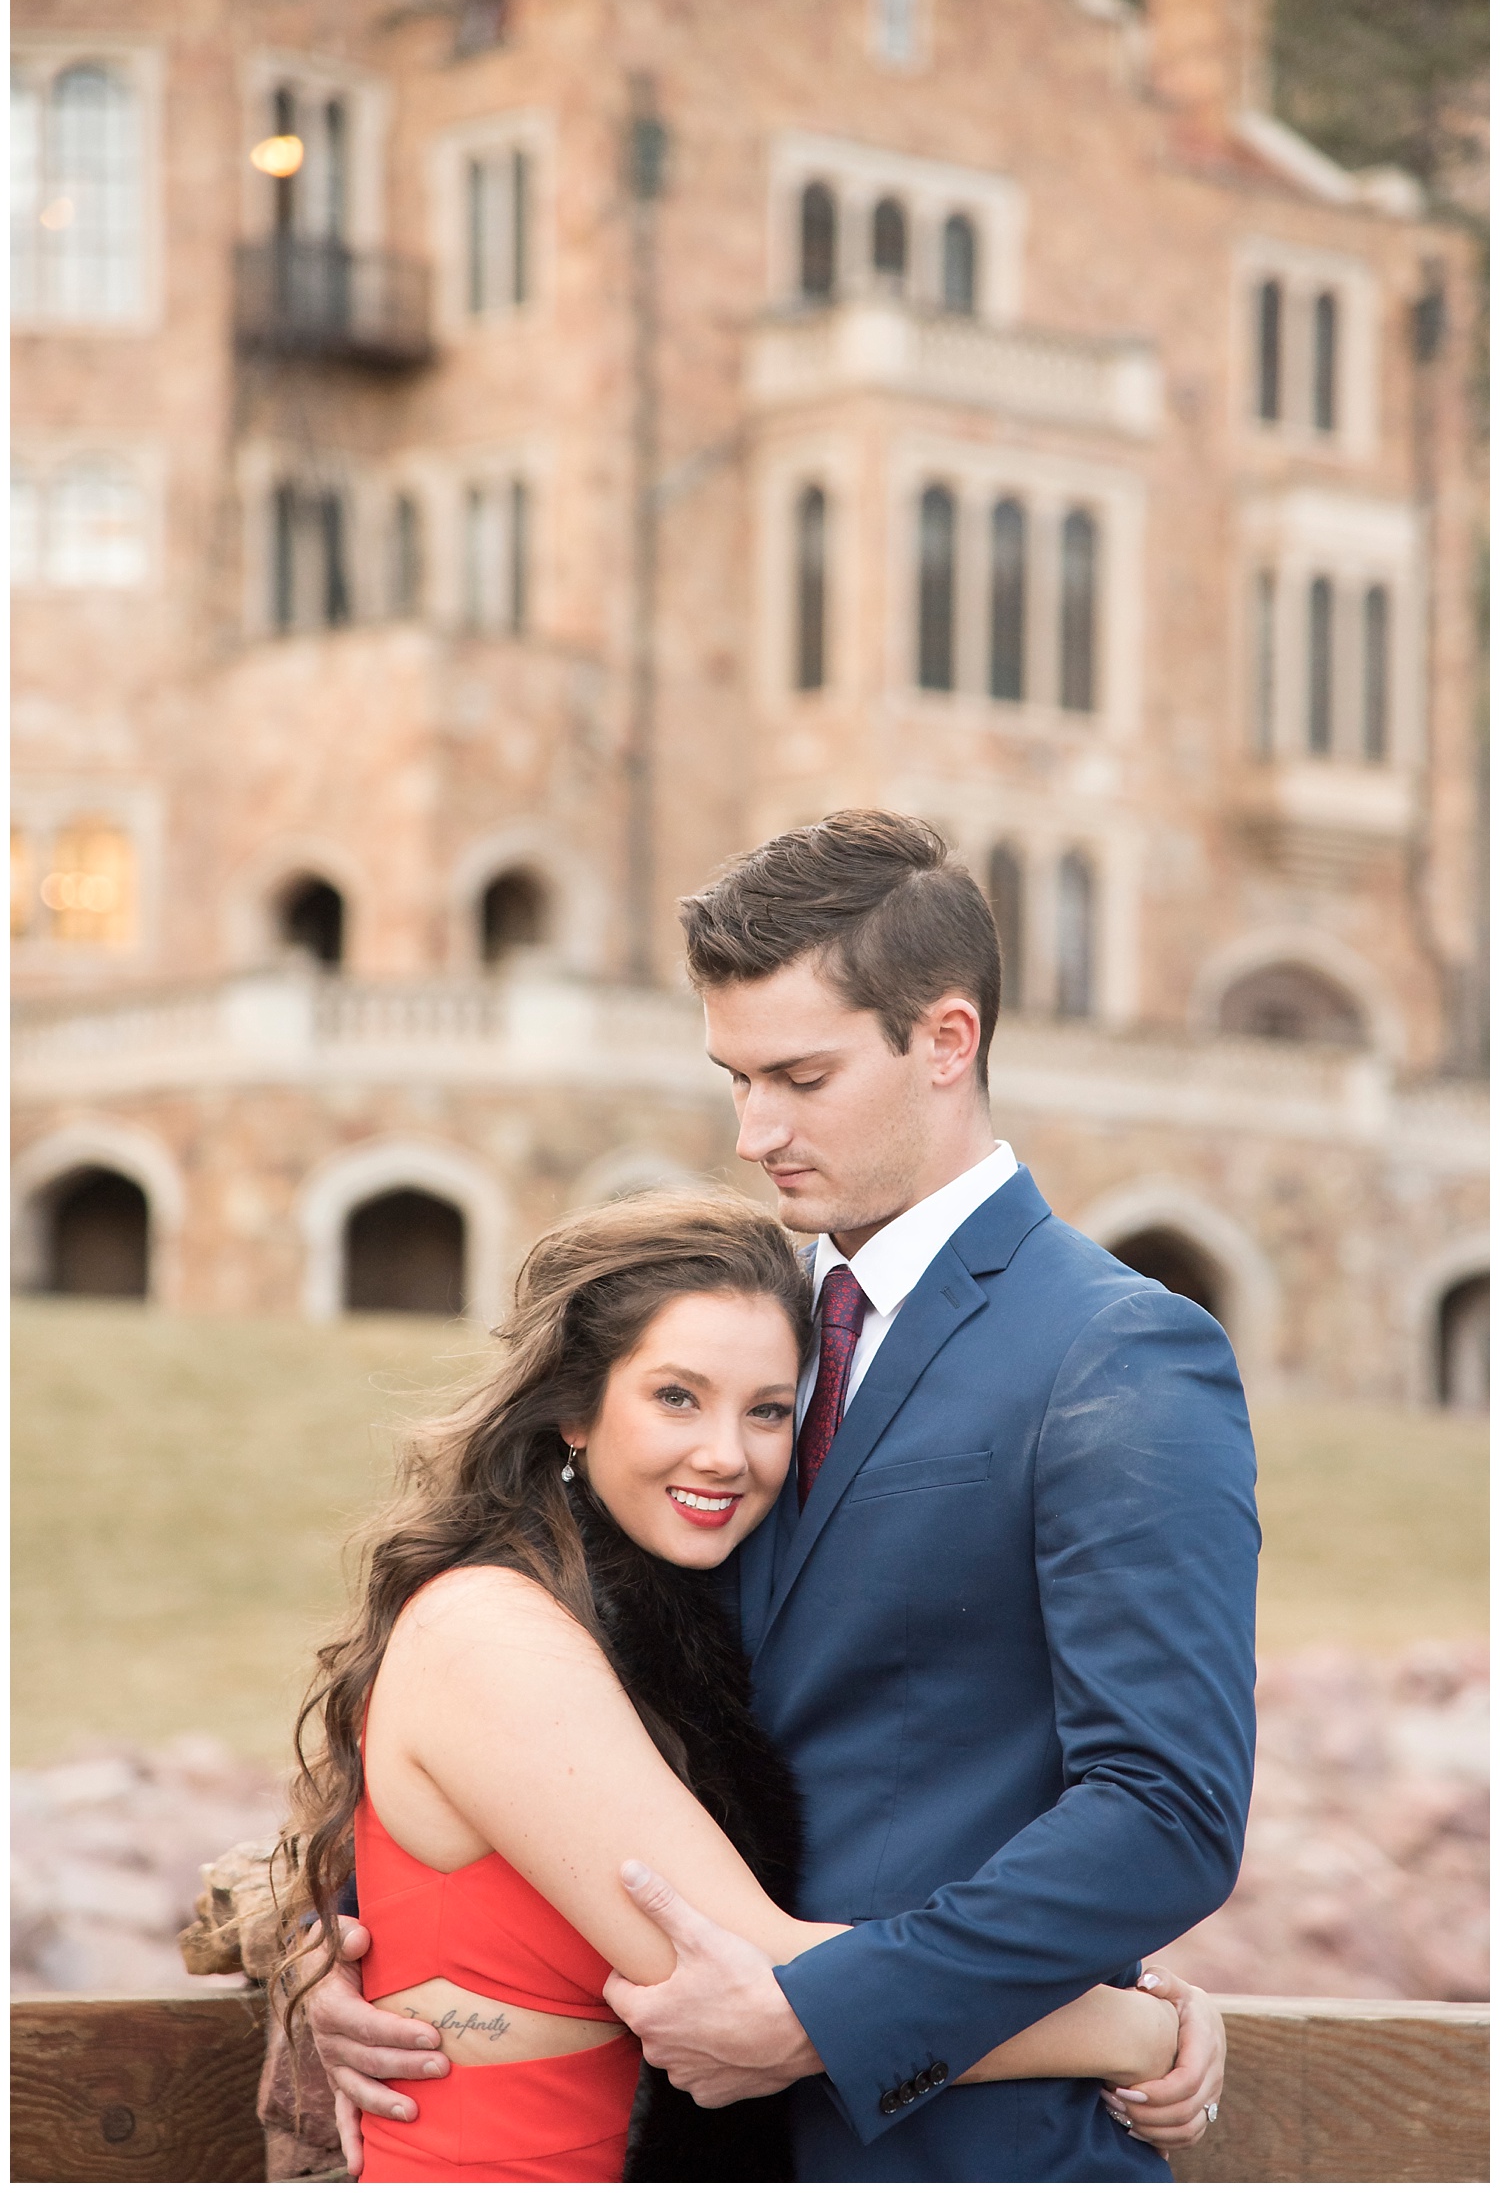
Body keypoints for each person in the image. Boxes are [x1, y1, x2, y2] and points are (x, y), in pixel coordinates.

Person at [307, 811, 1258, 2182]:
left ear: (945, 1041)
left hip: (966, 2152)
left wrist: (838, 2014)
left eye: (799, 1077)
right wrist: (350, 1946)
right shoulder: (737, 1345)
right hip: (692, 2140)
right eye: (735, 1078)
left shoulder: (1117, 1352)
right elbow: (545, 1677)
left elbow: (1165, 1812)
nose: (754, 1134)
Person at [279, 1188, 1190, 2182]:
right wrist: (1131, 2026)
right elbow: (767, 1972)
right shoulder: (489, 1632)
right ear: (575, 1409)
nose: (727, 1452)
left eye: (766, 1410)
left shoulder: (658, 1625)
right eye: (677, 1395)